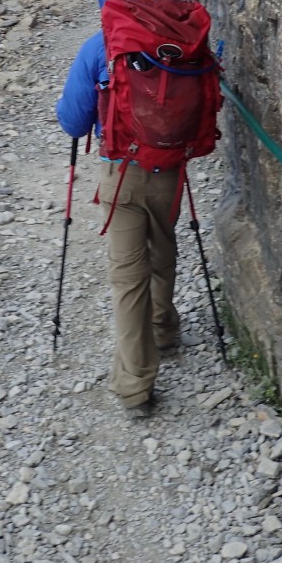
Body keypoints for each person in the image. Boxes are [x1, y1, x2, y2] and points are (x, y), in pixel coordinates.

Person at [56, 29, 182, 420]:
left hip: (121, 174)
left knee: (129, 279)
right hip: (170, 171)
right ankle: (164, 330)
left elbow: (74, 123)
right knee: (162, 250)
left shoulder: (101, 43)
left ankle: (135, 388)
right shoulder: (178, 33)